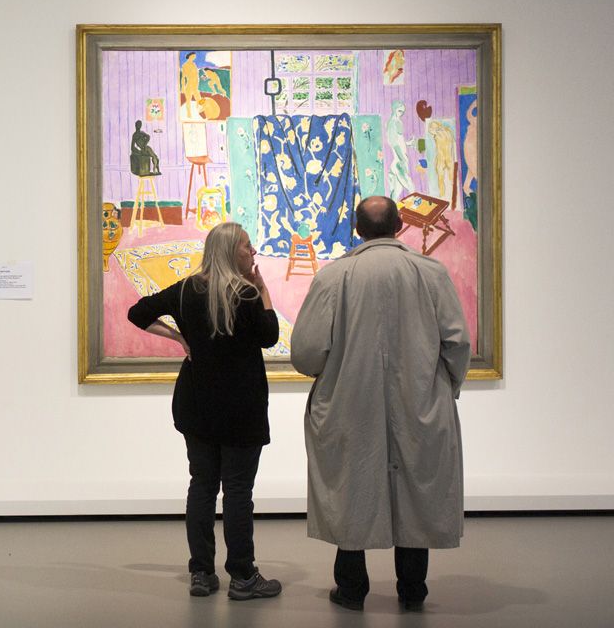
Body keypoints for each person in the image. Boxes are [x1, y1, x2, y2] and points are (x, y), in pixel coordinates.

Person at [290, 196, 471, 613]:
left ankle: (352, 589)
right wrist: (445, 386)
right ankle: (412, 589)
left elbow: (306, 353)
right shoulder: (430, 273)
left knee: (351, 489)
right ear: (399, 225)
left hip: (349, 403)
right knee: (415, 492)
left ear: (357, 230)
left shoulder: (334, 277)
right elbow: (457, 342)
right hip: (420, 400)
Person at [127, 222, 282, 601]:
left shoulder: (185, 290)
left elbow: (138, 312)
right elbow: (270, 336)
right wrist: (264, 291)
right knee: (238, 491)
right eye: (247, 246)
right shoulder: (246, 294)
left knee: (202, 485)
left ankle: (201, 573)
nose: (253, 252)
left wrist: (179, 337)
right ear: (231, 251)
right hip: (241, 405)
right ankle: (243, 577)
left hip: (196, 403)